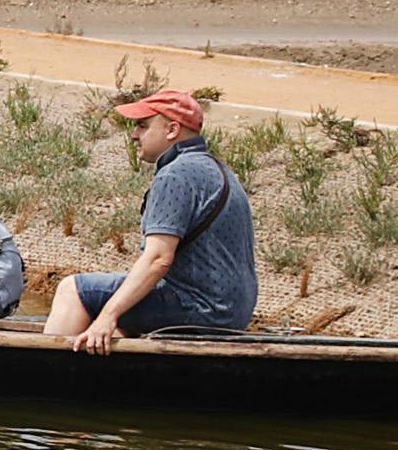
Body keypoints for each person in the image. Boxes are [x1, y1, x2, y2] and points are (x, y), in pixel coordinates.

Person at [46, 90, 261, 349]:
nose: (135, 135)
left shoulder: (176, 175)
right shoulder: (220, 170)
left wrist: (107, 316)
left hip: (200, 310)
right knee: (121, 321)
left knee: (73, 291)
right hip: (232, 312)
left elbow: (158, 259)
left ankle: (42, 373)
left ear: (172, 129)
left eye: (142, 125)